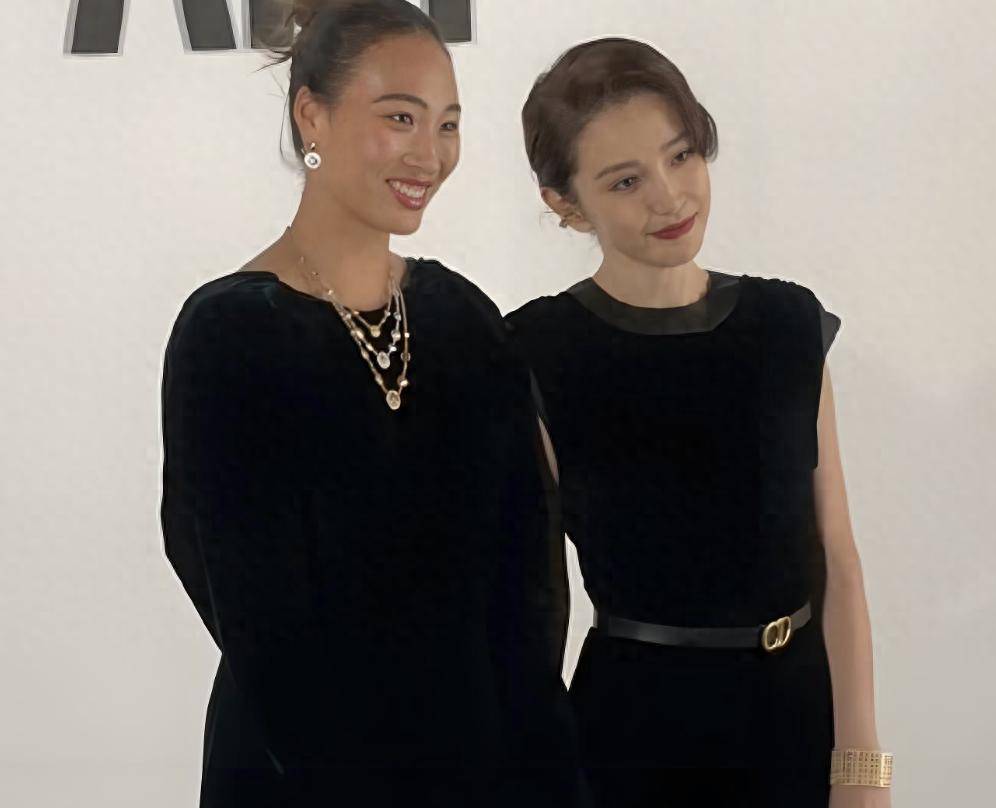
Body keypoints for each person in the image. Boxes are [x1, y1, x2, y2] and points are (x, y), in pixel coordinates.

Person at [160, 2, 585, 805]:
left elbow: (532, 594)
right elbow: (255, 618)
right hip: (301, 777)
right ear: (311, 115)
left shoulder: (464, 319)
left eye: (448, 124)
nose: (430, 153)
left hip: (480, 769)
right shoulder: (231, 334)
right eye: (400, 118)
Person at [506, 37, 893, 807]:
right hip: (631, 738)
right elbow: (528, 600)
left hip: (795, 717)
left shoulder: (787, 323)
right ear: (565, 203)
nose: (670, 197)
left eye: (681, 156)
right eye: (626, 181)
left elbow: (838, 557)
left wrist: (860, 764)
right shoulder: (536, 352)